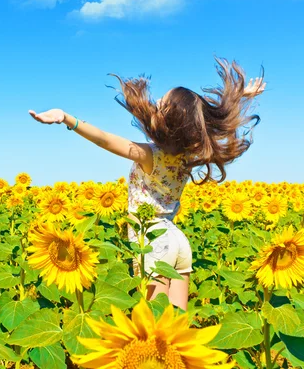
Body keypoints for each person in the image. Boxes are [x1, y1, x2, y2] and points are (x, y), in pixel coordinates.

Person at [28, 55, 265, 310]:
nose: (154, 106)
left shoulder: (149, 155)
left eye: (160, 105)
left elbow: (105, 140)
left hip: (152, 241)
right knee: (178, 325)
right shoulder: (189, 156)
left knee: (153, 323)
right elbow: (210, 123)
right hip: (175, 239)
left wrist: (67, 118)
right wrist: (242, 97)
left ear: (169, 119)